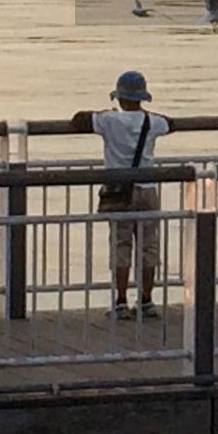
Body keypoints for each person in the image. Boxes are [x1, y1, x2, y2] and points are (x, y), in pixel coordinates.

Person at [71, 70, 171, 320]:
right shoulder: (154, 122)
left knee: (121, 244)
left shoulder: (108, 121)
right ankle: (147, 300)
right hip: (147, 189)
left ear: (119, 98)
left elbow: (79, 119)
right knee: (149, 246)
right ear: (142, 98)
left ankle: (120, 301)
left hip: (119, 190)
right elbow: (171, 123)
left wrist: (102, 112)